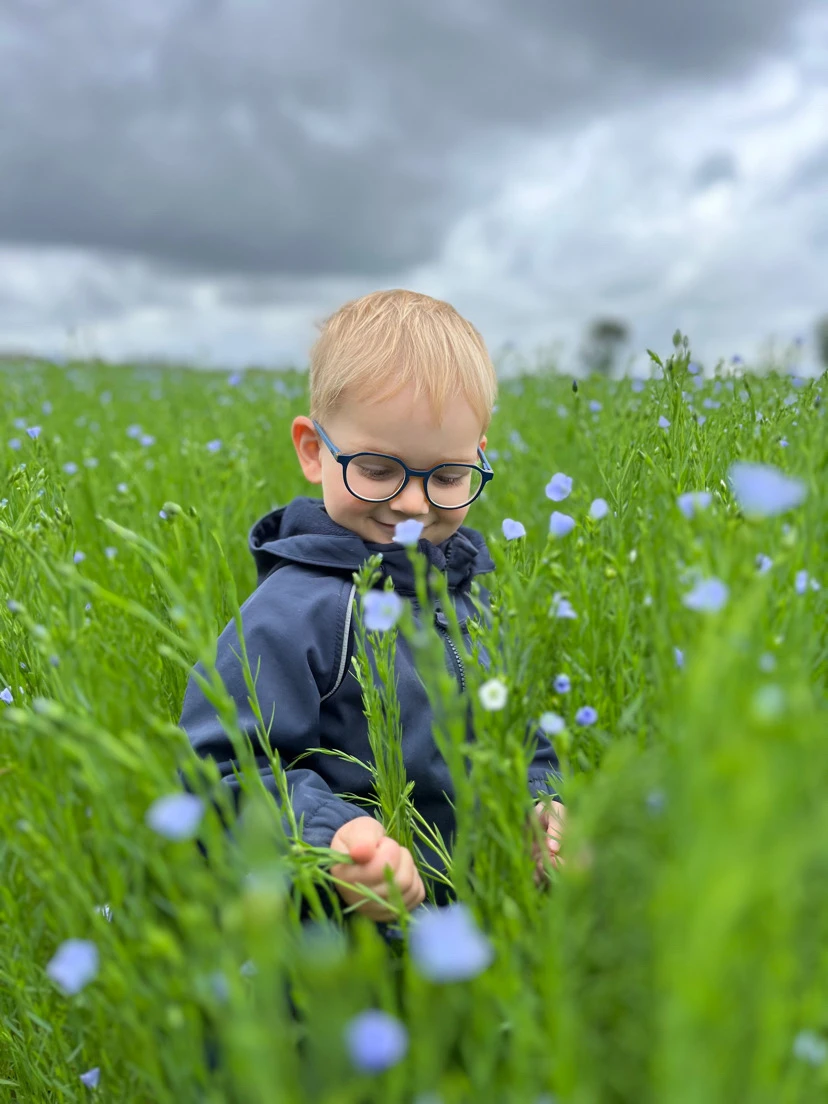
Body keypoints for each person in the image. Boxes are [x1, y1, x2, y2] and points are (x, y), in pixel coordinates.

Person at [178, 288, 565, 930]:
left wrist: (541, 804)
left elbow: (522, 733)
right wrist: (331, 837)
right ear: (313, 450)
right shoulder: (294, 612)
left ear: (478, 457)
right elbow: (221, 773)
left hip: (482, 924)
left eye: (448, 477)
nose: (414, 504)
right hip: (345, 943)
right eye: (380, 469)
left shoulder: (471, 593)